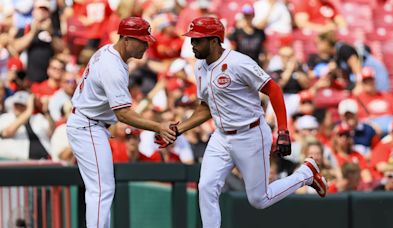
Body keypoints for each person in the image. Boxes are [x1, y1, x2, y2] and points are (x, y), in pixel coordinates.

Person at [155, 16, 328, 228]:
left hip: (250, 133)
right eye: (192, 39)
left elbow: (273, 88)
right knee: (206, 186)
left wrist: (283, 130)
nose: (192, 44)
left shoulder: (238, 62)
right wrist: (179, 128)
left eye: (197, 40)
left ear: (214, 40)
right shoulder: (200, 67)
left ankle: (306, 173)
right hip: (221, 135)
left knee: (259, 199)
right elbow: (205, 107)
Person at [66, 17, 177, 228]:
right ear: (126, 39)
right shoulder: (113, 66)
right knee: (101, 189)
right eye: (142, 40)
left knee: (101, 189)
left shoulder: (110, 53)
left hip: (89, 122)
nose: (147, 45)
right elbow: (124, 114)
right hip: (88, 125)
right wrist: (158, 126)